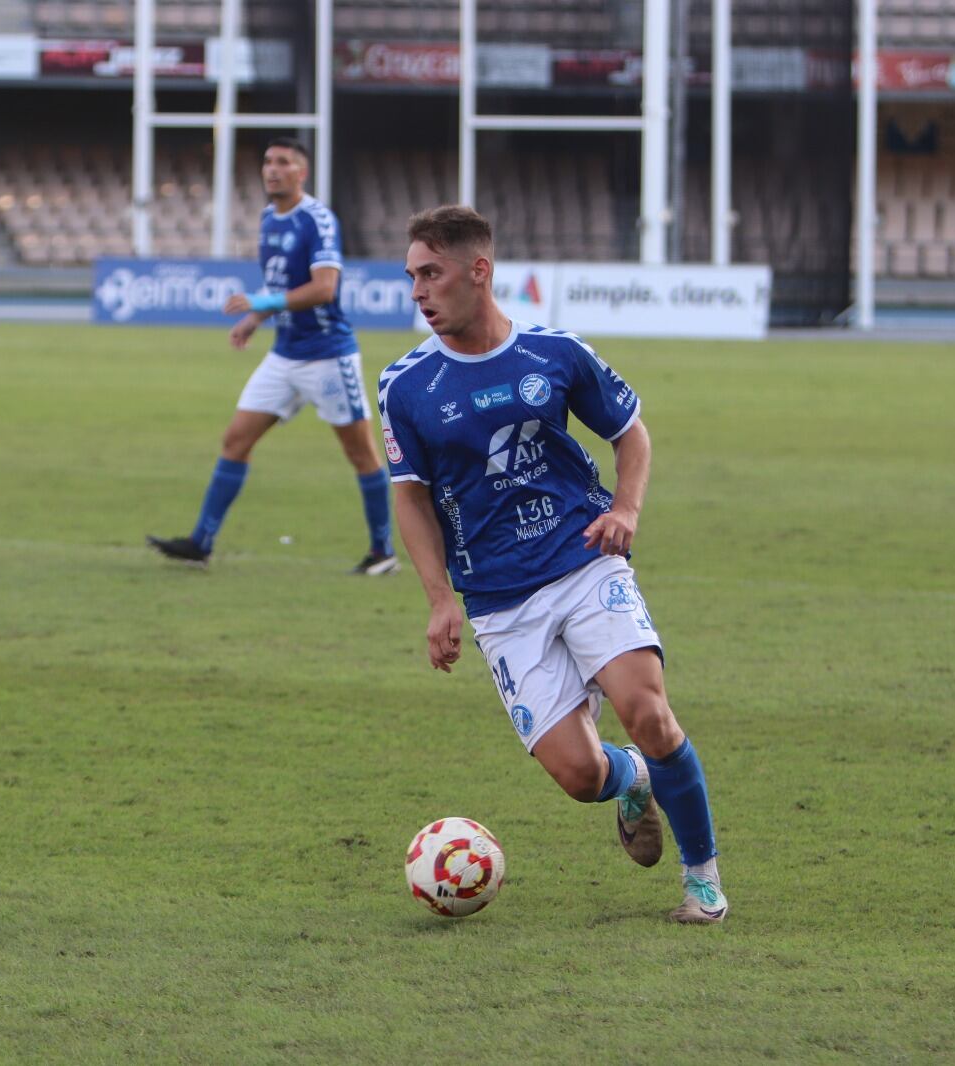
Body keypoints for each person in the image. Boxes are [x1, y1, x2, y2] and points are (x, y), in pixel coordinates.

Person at [377, 205, 726, 923]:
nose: (419, 292)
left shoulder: (554, 353)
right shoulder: (405, 385)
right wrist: (439, 598)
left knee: (649, 713)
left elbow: (632, 434)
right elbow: (409, 499)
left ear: (480, 271)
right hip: (499, 600)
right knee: (577, 773)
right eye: (412, 276)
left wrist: (624, 511)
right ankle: (630, 779)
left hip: (584, 559)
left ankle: (703, 881)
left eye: (432, 274)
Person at [148, 136, 399, 576]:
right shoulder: (268, 218)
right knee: (235, 440)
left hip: (327, 356)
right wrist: (255, 319)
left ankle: (383, 553)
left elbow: (324, 289)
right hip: (284, 356)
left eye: (283, 162)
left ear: (301, 172)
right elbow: (279, 285)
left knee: (361, 454)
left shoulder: (316, 220)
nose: (272, 169)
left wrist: (262, 305)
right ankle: (200, 543)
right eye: (267, 162)